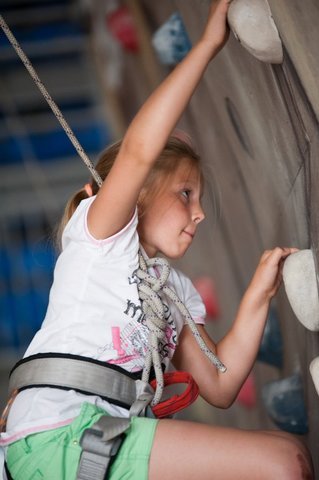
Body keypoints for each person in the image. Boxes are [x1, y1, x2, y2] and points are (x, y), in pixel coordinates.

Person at [0, 1, 314, 479]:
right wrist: (207, 46)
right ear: (136, 194)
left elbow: (221, 385)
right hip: (57, 433)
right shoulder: (99, 241)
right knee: (283, 463)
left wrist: (259, 293)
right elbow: (142, 149)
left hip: (92, 438)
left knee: (284, 454)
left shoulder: (175, 293)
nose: (200, 212)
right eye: (185, 194)